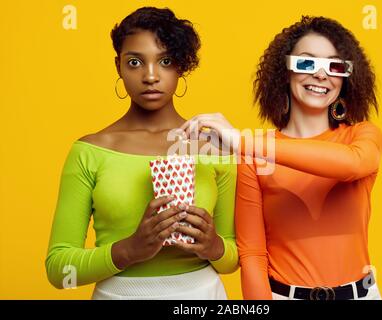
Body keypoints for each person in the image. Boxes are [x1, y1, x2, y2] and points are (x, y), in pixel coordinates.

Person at [180, 16, 382, 300]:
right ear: (284, 72)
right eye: (306, 62)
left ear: (346, 78)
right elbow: (252, 255)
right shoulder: (252, 154)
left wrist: (242, 142)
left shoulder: (362, 135)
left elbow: (353, 163)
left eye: (334, 66)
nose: (321, 75)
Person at [45, 6, 238, 300]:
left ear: (181, 67)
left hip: (202, 295)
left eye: (165, 61)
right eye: (135, 62)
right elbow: (59, 270)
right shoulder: (90, 151)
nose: (150, 76)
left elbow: (235, 256)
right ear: (118, 66)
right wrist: (130, 250)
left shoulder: (214, 148)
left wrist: (214, 247)